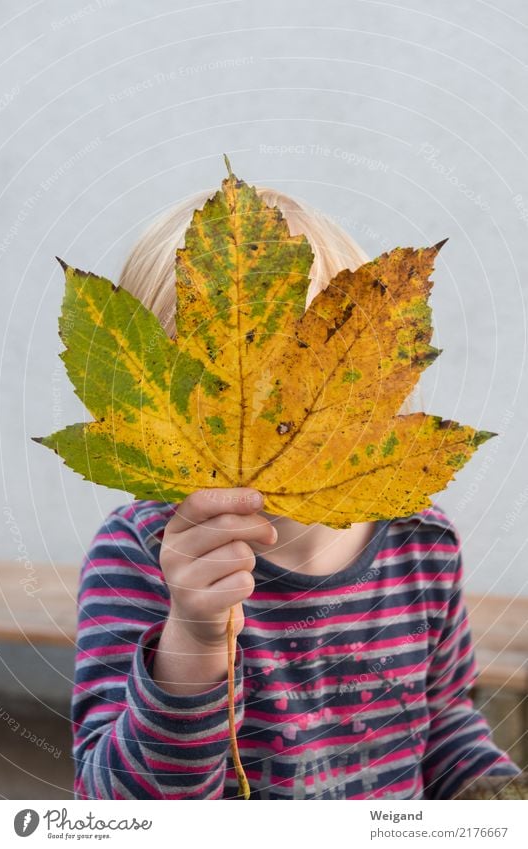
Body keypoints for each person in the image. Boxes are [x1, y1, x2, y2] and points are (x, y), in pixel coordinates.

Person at [71, 178, 521, 800]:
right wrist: (193, 641)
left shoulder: (422, 540)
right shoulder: (137, 557)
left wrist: (490, 794)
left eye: (288, 402)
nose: (252, 425)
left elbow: (441, 718)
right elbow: (114, 812)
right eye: (208, 406)